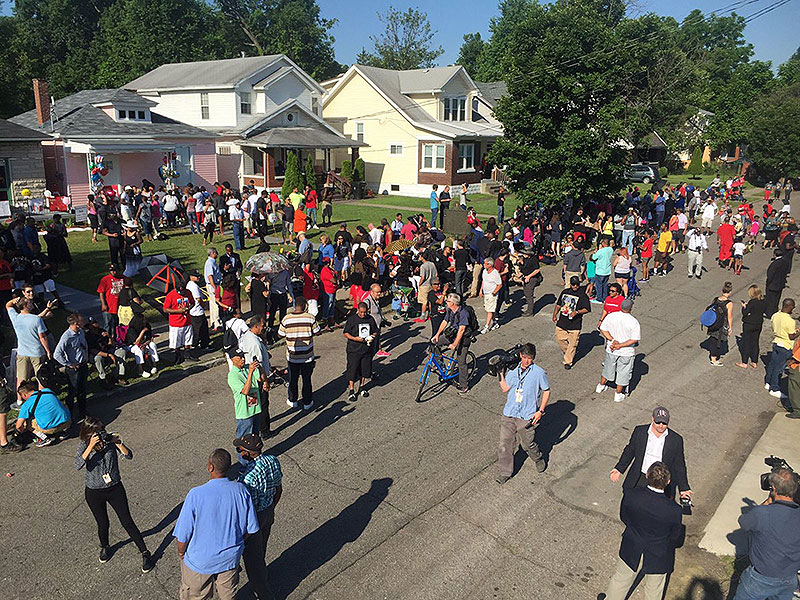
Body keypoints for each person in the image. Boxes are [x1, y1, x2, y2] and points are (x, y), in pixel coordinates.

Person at [175, 448, 260, 600]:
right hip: (229, 560)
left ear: (210, 467)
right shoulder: (241, 490)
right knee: (228, 595)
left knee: (195, 595)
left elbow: (184, 534)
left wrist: (181, 552)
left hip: (199, 562)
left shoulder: (195, 494)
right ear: (228, 468)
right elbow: (251, 528)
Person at [74, 416, 154, 572]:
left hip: (114, 488)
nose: (102, 432)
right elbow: (77, 465)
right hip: (94, 492)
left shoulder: (110, 441)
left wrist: (119, 443)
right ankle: (105, 546)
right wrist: (90, 446)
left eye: (103, 428)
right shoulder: (83, 445)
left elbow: (129, 455)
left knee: (127, 521)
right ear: (89, 433)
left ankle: (145, 553)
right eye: (98, 430)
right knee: (103, 523)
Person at [602, 462, 684, 600]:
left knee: (621, 580)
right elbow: (675, 536)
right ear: (668, 482)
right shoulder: (674, 510)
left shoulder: (631, 494)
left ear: (647, 475)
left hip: (632, 545)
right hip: (658, 553)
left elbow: (624, 516)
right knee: (654, 589)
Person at [731, 467, 800, 600]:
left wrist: (767, 502)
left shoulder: (763, 513)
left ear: (773, 488)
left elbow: (743, 522)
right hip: (789, 578)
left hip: (760, 578)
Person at [235, 433, 282, 600]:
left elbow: (247, 509)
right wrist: (271, 506)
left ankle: (264, 593)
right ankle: (262, 570)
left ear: (246, 453)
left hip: (254, 519)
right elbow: (278, 489)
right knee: (262, 546)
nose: (239, 452)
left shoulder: (247, 478)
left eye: (239, 449)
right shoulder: (272, 460)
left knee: (252, 560)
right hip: (268, 511)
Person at [610, 407, 692, 500]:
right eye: (658, 422)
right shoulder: (640, 432)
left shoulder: (675, 440)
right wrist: (619, 469)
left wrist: (684, 487)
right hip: (639, 478)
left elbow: (679, 464)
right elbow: (630, 450)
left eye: (664, 423)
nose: (661, 426)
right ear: (652, 419)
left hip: (660, 483)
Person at [495, 343, 550, 484]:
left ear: (533, 358)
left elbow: (546, 390)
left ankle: (538, 458)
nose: (526, 361)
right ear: (520, 356)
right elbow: (505, 388)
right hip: (510, 412)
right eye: (524, 357)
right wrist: (500, 373)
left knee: (527, 444)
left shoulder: (539, 373)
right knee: (504, 444)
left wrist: (540, 411)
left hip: (527, 416)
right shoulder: (513, 371)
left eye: (529, 358)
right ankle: (505, 472)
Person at [277, 296, 320, 411]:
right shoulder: (310, 318)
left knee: (293, 379)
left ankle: (293, 400)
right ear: (305, 306)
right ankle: (307, 401)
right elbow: (317, 331)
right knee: (306, 379)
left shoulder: (286, 319)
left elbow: (280, 334)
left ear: (295, 305)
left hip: (292, 356)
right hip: (307, 356)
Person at [596, 298, 640, 402]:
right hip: (626, 352)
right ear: (631, 308)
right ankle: (618, 394)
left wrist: (613, 340)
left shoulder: (612, 316)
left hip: (611, 349)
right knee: (623, 372)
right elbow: (634, 339)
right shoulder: (633, 321)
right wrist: (620, 345)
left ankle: (601, 386)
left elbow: (603, 328)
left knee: (608, 368)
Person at [227, 350, 263, 464]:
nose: (243, 359)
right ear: (233, 360)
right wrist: (251, 372)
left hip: (255, 408)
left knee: (254, 438)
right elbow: (245, 391)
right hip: (245, 413)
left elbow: (260, 379)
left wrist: (259, 367)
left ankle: (256, 459)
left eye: (243, 356)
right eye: (240, 357)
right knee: (243, 442)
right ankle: (244, 465)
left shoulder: (248, 367)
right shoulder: (232, 376)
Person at [6, 296, 51, 386]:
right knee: (40, 377)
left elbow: (8, 305)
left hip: (22, 352)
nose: (31, 303)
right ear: (26, 305)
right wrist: (48, 351)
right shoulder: (36, 319)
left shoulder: (15, 318)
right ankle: (42, 396)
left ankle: (20, 399)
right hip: (37, 352)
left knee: (21, 378)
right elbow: (42, 337)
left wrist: (14, 300)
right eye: (29, 302)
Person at [14, 378, 71, 447]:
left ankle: (43, 438)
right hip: (67, 421)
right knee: (62, 406)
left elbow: (19, 426)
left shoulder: (26, 404)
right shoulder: (48, 391)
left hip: (51, 428)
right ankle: (63, 432)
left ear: (24, 395)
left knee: (28, 422)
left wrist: (18, 432)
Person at [54, 312, 89, 421]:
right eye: (81, 321)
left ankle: (83, 412)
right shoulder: (67, 337)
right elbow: (57, 354)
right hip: (74, 368)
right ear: (76, 323)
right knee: (73, 391)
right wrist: (69, 364)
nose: (83, 322)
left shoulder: (80, 332)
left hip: (83, 364)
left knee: (82, 390)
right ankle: (69, 414)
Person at [553, 276, 591, 370]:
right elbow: (558, 305)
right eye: (573, 284)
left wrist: (577, 312)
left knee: (573, 344)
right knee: (559, 339)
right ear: (570, 284)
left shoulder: (583, 295)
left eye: (577, 284)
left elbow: (587, 309)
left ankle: (568, 362)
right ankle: (569, 353)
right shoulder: (565, 292)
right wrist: (554, 315)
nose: (575, 286)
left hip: (575, 324)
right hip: (562, 321)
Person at [343, 301, 378, 401]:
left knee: (365, 369)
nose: (363, 314)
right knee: (352, 369)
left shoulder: (370, 319)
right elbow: (346, 333)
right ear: (358, 310)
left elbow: (375, 330)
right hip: (354, 349)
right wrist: (354, 338)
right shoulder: (352, 320)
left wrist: (372, 336)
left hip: (366, 349)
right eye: (361, 312)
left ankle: (362, 387)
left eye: (365, 312)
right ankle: (351, 390)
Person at [766, 298, 799, 399]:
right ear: (789, 307)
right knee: (779, 368)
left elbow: (774, 328)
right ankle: (774, 388)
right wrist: (798, 332)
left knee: (772, 364)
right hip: (785, 345)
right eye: (792, 307)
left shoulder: (775, 315)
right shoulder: (790, 321)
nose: (793, 308)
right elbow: (791, 336)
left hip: (776, 342)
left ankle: (768, 382)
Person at [163, 281, 195, 364]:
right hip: (176, 323)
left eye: (183, 291)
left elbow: (193, 303)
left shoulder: (188, 292)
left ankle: (187, 354)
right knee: (176, 342)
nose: (182, 293)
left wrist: (188, 308)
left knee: (188, 339)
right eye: (179, 292)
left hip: (187, 321)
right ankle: (178, 356)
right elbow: (165, 309)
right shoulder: (170, 295)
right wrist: (178, 311)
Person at [737, 285, 767, 370]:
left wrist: (744, 307)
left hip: (749, 324)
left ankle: (744, 362)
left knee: (747, 343)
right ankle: (754, 361)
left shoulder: (752, 302)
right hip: (758, 324)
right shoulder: (763, 301)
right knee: (755, 342)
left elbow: (745, 313)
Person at [708, 281, 734, 367]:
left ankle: (712, 357)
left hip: (713, 322)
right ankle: (714, 359)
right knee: (718, 341)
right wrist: (730, 328)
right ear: (730, 292)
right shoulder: (729, 303)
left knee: (713, 339)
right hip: (722, 324)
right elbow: (729, 316)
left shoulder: (716, 299)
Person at [186, 270, 210, 351]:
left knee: (197, 329)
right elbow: (198, 299)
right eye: (196, 276)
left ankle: (197, 344)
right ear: (191, 277)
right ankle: (202, 345)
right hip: (197, 311)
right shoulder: (194, 286)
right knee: (201, 329)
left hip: (193, 311)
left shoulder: (190, 285)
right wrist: (204, 306)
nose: (199, 277)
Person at [97, 263, 124, 335]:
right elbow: (101, 293)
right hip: (109, 307)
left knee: (117, 325)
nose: (113, 272)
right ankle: (107, 341)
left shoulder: (123, 278)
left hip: (119, 306)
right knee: (108, 325)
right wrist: (103, 304)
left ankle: (117, 339)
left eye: (115, 270)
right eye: (111, 270)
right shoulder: (105, 279)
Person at [765, 249, 792, 317]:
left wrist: (769, 282)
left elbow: (770, 274)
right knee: (776, 299)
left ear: (775, 254)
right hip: (780, 284)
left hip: (773, 284)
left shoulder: (775, 263)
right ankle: (774, 311)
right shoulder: (785, 262)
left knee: (770, 299)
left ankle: (769, 313)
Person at [480, 258, 502, 333]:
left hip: (492, 294)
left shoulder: (495, 273)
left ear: (490, 265)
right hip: (486, 293)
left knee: (489, 310)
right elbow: (483, 281)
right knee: (489, 310)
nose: (484, 264)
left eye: (485, 263)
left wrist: (493, 293)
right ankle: (495, 323)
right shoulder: (484, 271)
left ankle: (486, 326)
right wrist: (481, 290)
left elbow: (499, 285)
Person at [414, 251, 437, 323]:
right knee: (430, 300)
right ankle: (430, 315)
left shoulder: (423, 266)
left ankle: (422, 317)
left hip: (424, 285)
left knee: (424, 301)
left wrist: (419, 284)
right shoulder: (432, 264)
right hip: (431, 284)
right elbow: (436, 274)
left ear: (423, 257)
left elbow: (422, 277)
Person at [204, 247, 223, 330]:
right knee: (216, 304)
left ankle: (213, 322)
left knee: (213, 304)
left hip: (215, 284)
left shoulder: (213, 262)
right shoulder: (209, 263)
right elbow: (210, 276)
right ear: (211, 253)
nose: (217, 254)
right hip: (213, 285)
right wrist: (214, 287)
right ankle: (217, 323)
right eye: (215, 252)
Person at [591, 238, 614, 302]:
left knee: (599, 286)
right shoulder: (610, 249)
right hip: (607, 270)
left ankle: (599, 299)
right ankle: (604, 298)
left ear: (603, 243)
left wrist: (596, 251)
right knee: (605, 285)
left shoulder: (601, 251)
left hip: (600, 271)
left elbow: (593, 257)